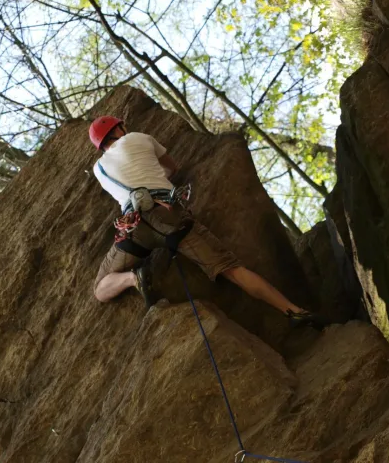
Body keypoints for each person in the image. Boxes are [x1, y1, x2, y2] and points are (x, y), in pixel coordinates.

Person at [90, 115, 317, 324]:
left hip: (137, 228)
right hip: (170, 218)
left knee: (100, 289)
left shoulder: (99, 169)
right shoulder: (140, 138)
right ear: (118, 129)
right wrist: (158, 182)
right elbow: (172, 168)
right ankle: (293, 311)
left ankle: (133, 279)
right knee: (232, 269)